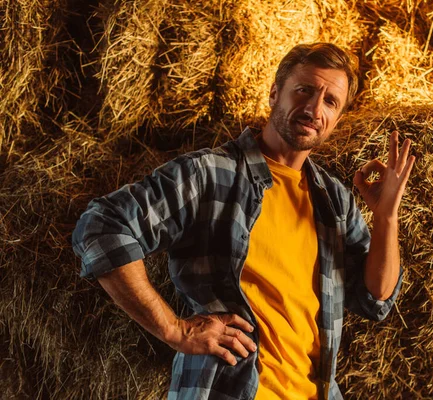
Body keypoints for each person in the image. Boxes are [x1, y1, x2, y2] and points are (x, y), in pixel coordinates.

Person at [72, 42, 415, 400]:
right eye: (304, 90)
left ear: (337, 119)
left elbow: (375, 297)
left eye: (330, 101)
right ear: (274, 94)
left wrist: (386, 216)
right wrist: (175, 330)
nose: (315, 108)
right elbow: (102, 225)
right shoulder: (211, 173)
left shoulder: (333, 200)